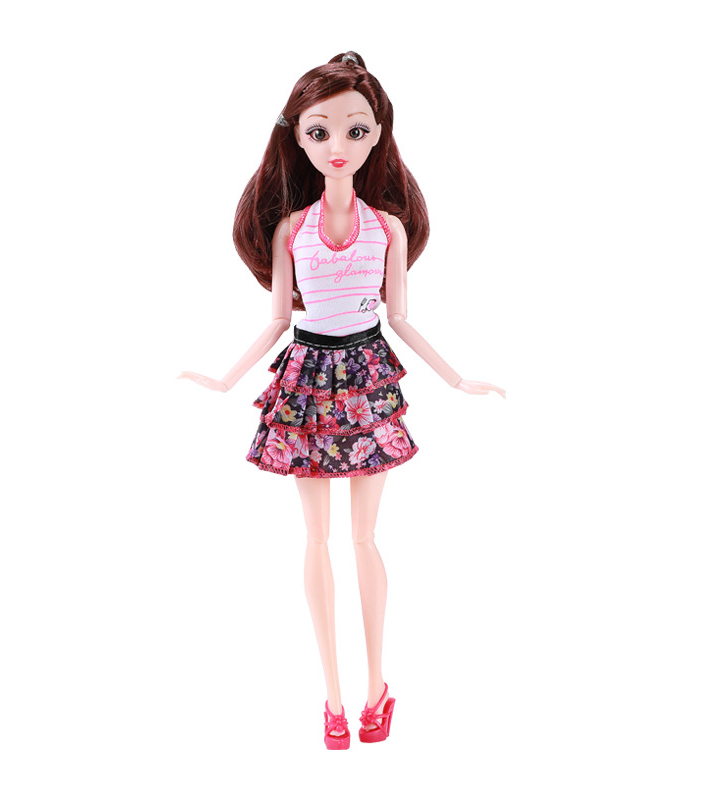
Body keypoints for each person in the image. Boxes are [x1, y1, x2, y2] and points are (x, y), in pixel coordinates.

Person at [180, 52, 505, 749]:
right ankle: (332, 700)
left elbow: (400, 317)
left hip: (366, 377)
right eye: (319, 131)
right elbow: (277, 318)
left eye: (356, 130)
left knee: (364, 538)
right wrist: (225, 378)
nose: (338, 145)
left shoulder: (387, 228)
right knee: (316, 539)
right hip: (304, 379)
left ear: (378, 134)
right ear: (297, 138)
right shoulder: (289, 230)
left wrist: (456, 379)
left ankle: (376, 686)